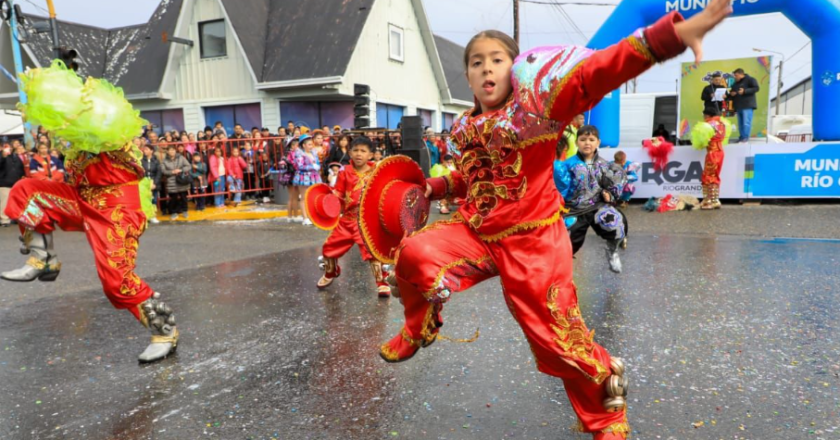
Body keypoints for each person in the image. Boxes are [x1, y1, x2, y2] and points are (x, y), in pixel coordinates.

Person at [373, 2, 731, 438]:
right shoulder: (463, 127)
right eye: (476, 63)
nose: (486, 69)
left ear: (515, 68)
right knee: (413, 253)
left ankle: (604, 412)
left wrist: (668, 37)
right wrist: (435, 188)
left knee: (557, 341)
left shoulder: (537, 109)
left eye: (496, 60)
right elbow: (472, 176)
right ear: (466, 76)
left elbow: (596, 72)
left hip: (533, 241)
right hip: (476, 232)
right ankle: (418, 326)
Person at [2, 62, 179, 363]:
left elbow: (101, 127)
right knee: (27, 190)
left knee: (115, 280)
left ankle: (164, 330)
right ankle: (43, 260)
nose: (55, 130)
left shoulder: (107, 129)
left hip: (118, 208)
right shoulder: (75, 145)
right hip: (85, 201)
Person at [317, 137, 391, 297]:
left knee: (373, 253)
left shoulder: (377, 172)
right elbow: (338, 192)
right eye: (356, 150)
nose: (359, 154)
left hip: (367, 222)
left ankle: (382, 282)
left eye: (363, 151)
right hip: (347, 220)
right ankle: (331, 272)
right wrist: (329, 203)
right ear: (350, 152)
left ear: (371, 155)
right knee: (329, 248)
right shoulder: (345, 172)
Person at [555, 126, 627, 273]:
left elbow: (611, 185)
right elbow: (561, 189)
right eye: (583, 140)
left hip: (597, 206)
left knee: (617, 223)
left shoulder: (604, 165)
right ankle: (559, 273)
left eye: (591, 140)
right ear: (576, 142)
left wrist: (609, 195)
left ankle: (612, 252)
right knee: (564, 242)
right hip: (573, 210)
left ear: (598, 142)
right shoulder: (567, 165)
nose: (587, 143)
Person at [697, 105, 727, 209]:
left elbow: (701, 141)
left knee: (707, 175)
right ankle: (714, 200)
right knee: (715, 175)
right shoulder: (722, 124)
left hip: (712, 153)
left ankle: (707, 201)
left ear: (707, 115)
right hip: (720, 152)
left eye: (704, 115)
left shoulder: (708, 125)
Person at [293, 134, 322, 226]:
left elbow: (317, 163)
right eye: (309, 144)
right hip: (303, 177)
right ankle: (305, 218)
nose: (311, 146)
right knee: (304, 197)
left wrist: (317, 166)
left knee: (313, 197)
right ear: (303, 145)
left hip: (314, 177)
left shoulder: (313, 153)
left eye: (311, 144)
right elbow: (300, 166)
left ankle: (311, 216)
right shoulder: (299, 154)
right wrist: (312, 166)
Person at [161, 144, 191, 220]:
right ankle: (173, 212)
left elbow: (188, 166)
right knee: (173, 198)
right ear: (167, 151)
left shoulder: (181, 157)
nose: (172, 151)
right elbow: (163, 171)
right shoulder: (164, 161)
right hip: (171, 182)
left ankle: (185, 210)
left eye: (173, 150)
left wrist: (181, 170)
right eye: (170, 150)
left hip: (181, 180)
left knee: (184, 197)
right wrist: (172, 172)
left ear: (175, 151)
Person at [729, 68, 759, 143]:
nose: (735, 77)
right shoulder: (735, 84)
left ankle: (745, 137)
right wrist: (732, 94)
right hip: (738, 106)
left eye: (736, 75)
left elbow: (756, 88)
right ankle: (741, 137)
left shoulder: (750, 79)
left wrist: (745, 91)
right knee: (740, 124)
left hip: (747, 105)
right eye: (734, 75)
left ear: (741, 74)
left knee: (746, 122)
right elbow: (732, 93)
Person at [0, 142, 26, 227]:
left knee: (16, 201)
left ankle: (16, 218)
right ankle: (4, 220)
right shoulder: (2, 156)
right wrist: (3, 156)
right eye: (6, 147)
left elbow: (21, 168)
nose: (8, 149)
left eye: (9, 147)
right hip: (4, 183)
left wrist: (21, 176)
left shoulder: (16, 157)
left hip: (16, 183)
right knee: (4, 202)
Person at [140, 143, 161, 224]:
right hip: (144, 183)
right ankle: (145, 217)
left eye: (146, 149)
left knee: (154, 200)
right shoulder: (141, 160)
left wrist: (155, 183)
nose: (145, 151)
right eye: (144, 149)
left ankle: (152, 216)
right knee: (144, 200)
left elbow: (159, 173)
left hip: (153, 182)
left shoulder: (156, 161)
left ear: (151, 151)